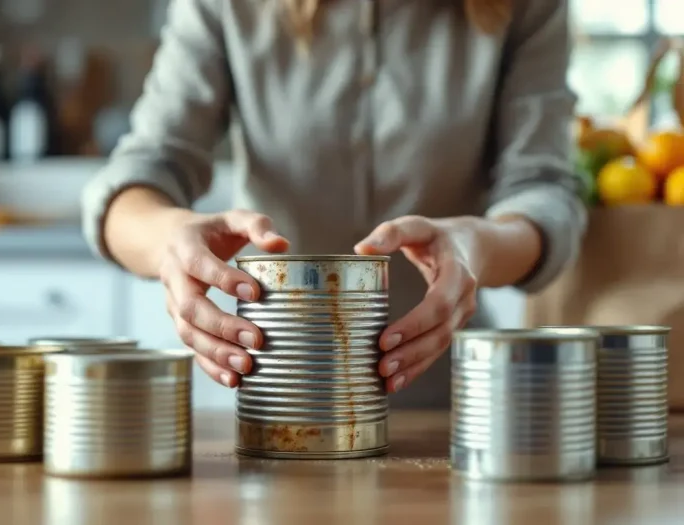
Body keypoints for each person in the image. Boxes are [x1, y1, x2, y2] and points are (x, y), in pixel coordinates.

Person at [82, 0, 585, 409]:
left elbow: (542, 190)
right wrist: (171, 239)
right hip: (276, 397)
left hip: (453, 401)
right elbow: (144, 170)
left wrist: (479, 247)